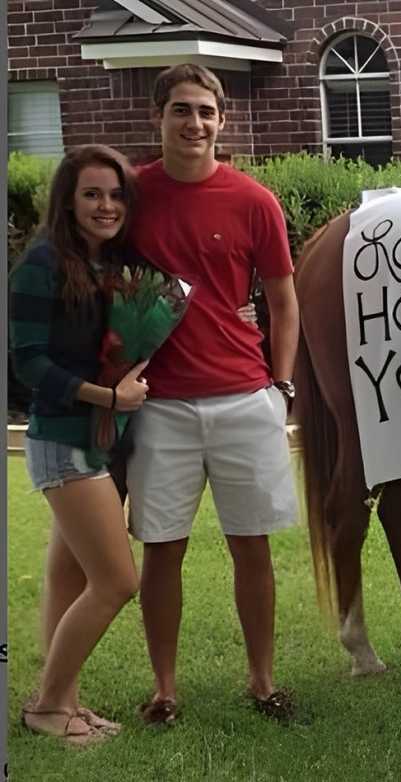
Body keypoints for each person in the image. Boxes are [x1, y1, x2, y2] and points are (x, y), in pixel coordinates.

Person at [126, 63, 301, 725]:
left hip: (243, 398)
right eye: (180, 110)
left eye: (205, 111)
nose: (193, 123)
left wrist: (280, 383)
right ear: (159, 117)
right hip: (160, 405)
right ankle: (164, 690)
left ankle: (262, 682)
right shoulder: (132, 197)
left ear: (221, 121)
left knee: (250, 545)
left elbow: (282, 302)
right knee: (161, 549)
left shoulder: (254, 200)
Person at [10, 145, 150, 746]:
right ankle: (44, 707)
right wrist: (106, 397)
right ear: (68, 199)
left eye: (116, 195)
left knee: (69, 579)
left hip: (96, 443)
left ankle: (64, 700)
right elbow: (27, 364)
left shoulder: (107, 267)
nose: (106, 205)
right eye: (92, 193)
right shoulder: (41, 263)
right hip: (64, 444)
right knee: (118, 582)